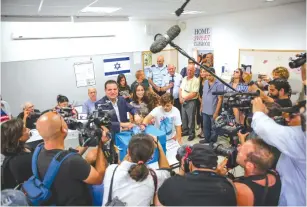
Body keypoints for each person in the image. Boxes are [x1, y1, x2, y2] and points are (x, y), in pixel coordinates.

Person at [35, 112, 108, 205]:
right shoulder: (72, 162)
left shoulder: (38, 151)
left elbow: (62, 158)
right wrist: (101, 144)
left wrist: (86, 142)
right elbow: (99, 178)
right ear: (63, 129)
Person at [251, 97, 306, 206]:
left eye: (292, 116)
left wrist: (258, 112)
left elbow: (265, 129)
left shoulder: (301, 139)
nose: (287, 119)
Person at [156, 144, 237, 206]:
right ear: (215, 165)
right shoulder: (229, 186)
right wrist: (219, 176)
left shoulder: (170, 184)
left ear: (187, 163)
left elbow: (158, 203)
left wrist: (181, 173)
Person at [102, 133, 170, 206]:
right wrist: (159, 146)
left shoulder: (111, 170)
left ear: (128, 151)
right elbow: (167, 171)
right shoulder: (155, 177)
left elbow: (121, 167)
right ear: (152, 156)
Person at [233, 138, 281, 206]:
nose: (238, 148)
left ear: (249, 166)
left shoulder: (241, 189)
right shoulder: (274, 175)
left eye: (240, 151)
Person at [1, 119, 32, 190]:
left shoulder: (23, 149)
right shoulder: (20, 161)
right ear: (19, 137)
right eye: (25, 130)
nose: (28, 129)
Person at [200, 68, 223, 144]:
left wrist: (216, 112)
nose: (208, 77)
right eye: (207, 75)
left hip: (213, 110)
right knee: (205, 126)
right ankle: (206, 139)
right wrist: (201, 106)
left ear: (214, 74)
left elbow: (220, 99)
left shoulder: (219, 84)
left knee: (214, 127)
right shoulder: (205, 82)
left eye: (210, 75)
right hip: (205, 109)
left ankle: (212, 141)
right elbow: (203, 95)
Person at [179, 64, 200, 141]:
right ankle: (185, 131)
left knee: (191, 119)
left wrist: (184, 98)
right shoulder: (184, 78)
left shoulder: (196, 80)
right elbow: (180, 89)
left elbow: (194, 93)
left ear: (194, 71)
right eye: (188, 70)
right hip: (183, 100)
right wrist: (181, 98)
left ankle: (192, 133)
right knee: (184, 117)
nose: (189, 71)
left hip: (191, 101)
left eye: (191, 70)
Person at [197, 68, 207, 138]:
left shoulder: (207, 82)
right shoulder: (199, 81)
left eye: (204, 71)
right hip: (199, 101)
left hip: (206, 102)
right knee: (200, 117)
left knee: (204, 117)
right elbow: (198, 92)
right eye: (201, 72)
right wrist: (200, 99)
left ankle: (205, 133)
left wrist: (202, 102)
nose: (202, 73)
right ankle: (202, 131)